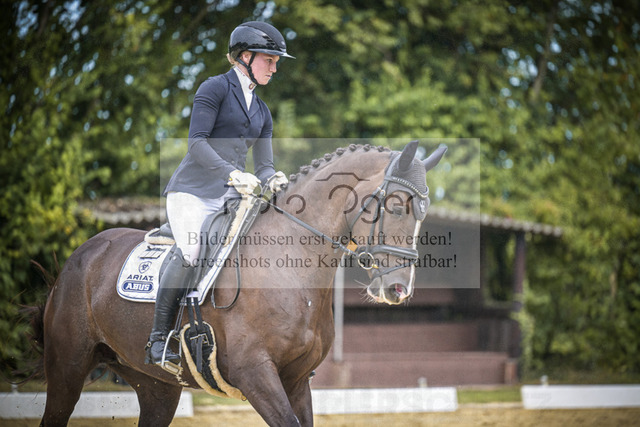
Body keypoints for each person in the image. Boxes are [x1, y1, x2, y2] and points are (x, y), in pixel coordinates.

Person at [145, 21, 293, 366]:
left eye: (276, 61)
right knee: (192, 250)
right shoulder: (214, 88)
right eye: (269, 60)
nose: (274, 67)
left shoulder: (262, 112)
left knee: (258, 249)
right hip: (192, 192)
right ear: (245, 57)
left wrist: (274, 179)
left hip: (230, 197)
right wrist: (232, 174)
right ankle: (158, 340)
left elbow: (264, 166)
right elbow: (196, 143)